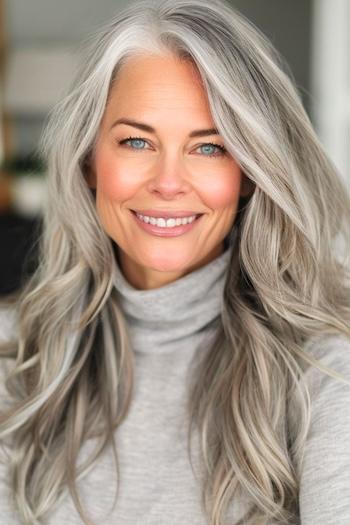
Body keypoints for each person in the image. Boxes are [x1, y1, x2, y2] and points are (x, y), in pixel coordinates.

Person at [0, 0, 350, 523]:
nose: (168, 182)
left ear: (251, 172)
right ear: (90, 159)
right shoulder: (15, 356)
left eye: (209, 148)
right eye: (137, 141)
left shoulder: (326, 365)